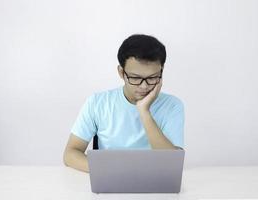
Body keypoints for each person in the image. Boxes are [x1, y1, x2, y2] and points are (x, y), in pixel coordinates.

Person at [63, 34, 185, 173]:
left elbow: (170, 164)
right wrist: (110, 170)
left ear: (161, 72)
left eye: (152, 77)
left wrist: (144, 112)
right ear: (121, 72)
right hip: (110, 179)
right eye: (135, 78)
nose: (144, 86)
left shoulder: (173, 105)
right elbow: (70, 154)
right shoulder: (97, 103)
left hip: (155, 182)